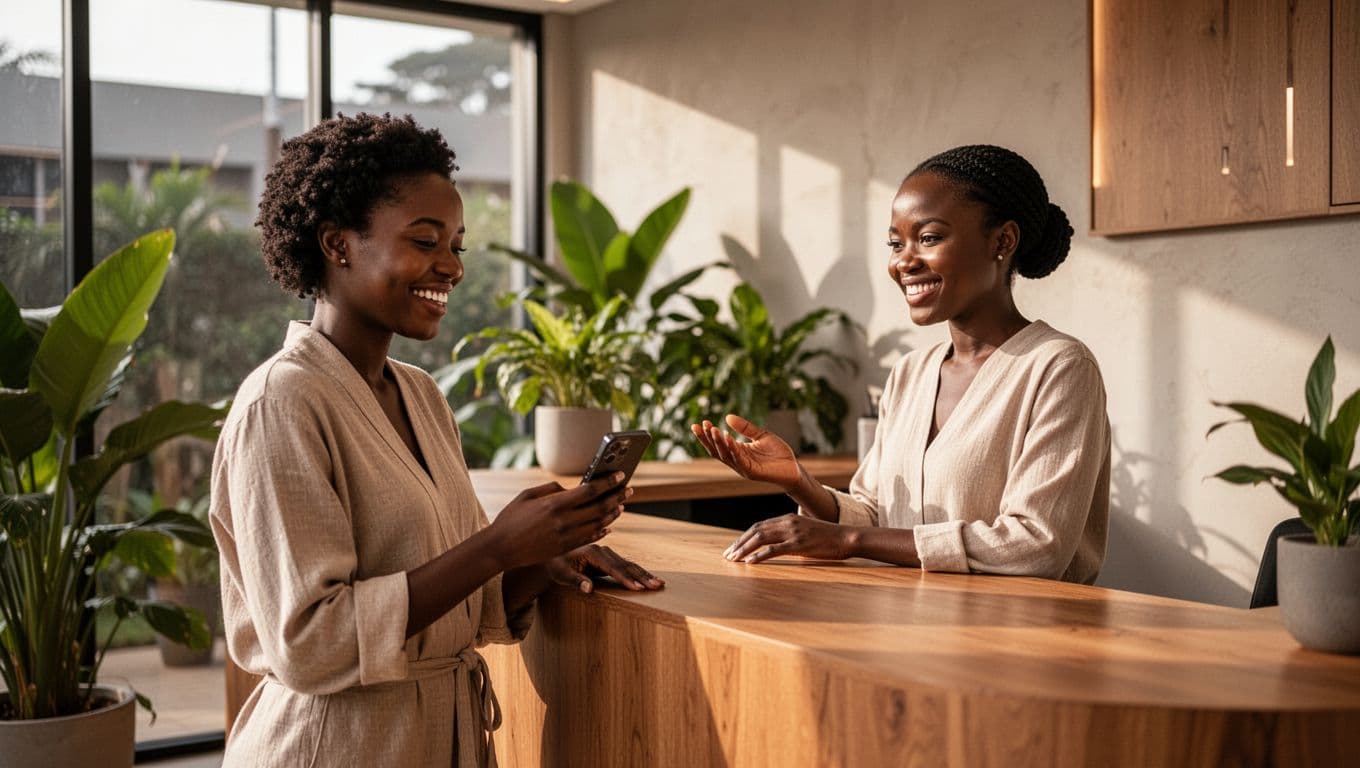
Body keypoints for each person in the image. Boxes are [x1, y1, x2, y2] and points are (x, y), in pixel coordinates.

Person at [210, 113, 663, 767]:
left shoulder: (419, 395)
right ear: (337, 245)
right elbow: (309, 642)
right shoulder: (281, 403)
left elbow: (458, 612)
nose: (449, 267)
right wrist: (496, 546)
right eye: (426, 241)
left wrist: (541, 557)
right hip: (330, 748)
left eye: (457, 245)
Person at [693, 144, 1109, 583]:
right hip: (904, 628)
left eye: (928, 238)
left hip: (1017, 639)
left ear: (1002, 241)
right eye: (896, 243)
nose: (904, 262)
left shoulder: (1059, 368)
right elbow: (875, 516)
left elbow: (1035, 545)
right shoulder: (912, 372)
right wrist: (798, 481)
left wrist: (851, 542)